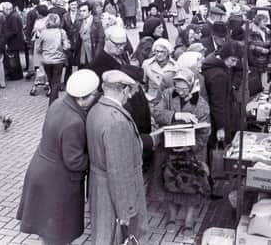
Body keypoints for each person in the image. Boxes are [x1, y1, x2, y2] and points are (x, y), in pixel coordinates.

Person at [17, 69, 99, 245]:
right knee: (59, 234)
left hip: (42, 172)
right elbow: (74, 161)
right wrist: (96, 158)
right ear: (85, 97)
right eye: (95, 95)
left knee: (49, 232)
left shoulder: (58, 103)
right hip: (58, 182)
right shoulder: (74, 122)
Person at [86, 70, 147, 244]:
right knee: (115, 237)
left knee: (103, 233)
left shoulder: (96, 109)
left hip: (100, 186)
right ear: (125, 90)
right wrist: (124, 210)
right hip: (114, 191)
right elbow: (119, 170)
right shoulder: (117, 121)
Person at [150, 68, 211, 236]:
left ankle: (189, 222)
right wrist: (177, 115)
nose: (180, 91)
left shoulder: (201, 104)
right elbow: (156, 112)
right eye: (177, 87)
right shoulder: (168, 94)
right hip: (168, 149)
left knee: (191, 187)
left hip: (191, 152)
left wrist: (190, 147)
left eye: (184, 88)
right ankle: (171, 218)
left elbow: (205, 132)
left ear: (192, 85)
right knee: (169, 183)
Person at [202, 42, 242, 147]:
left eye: (236, 61)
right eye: (232, 60)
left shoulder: (212, 63)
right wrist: (221, 127)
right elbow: (218, 104)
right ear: (224, 56)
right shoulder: (219, 76)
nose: (234, 64)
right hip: (217, 120)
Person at [37, 14, 71, 105]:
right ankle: (53, 104)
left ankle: (54, 101)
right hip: (58, 60)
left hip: (46, 61)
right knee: (56, 82)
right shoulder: (61, 32)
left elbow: (38, 48)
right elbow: (66, 46)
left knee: (51, 81)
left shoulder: (43, 32)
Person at [142, 38, 177, 102]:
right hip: (151, 99)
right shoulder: (147, 64)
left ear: (168, 52)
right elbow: (143, 83)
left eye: (162, 52)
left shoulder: (175, 65)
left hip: (168, 100)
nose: (159, 54)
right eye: (157, 51)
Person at [2, 2, 25, 81]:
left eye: (4, 9)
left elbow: (15, 30)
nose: (3, 11)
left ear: (8, 9)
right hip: (15, 40)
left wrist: (6, 36)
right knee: (15, 58)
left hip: (14, 41)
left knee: (14, 59)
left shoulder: (13, 17)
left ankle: (16, 75)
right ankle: (17, 75)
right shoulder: (14, 15)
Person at [249, 13, 271, 87]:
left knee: (264, 75)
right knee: (256, 78)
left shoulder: (268, 31)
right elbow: (250, 45)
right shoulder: (252, 31)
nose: (266, 23)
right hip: (255, 59)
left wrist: (270, 49)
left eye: (266, 21)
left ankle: (264, 88)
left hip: (265, 58)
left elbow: (270, 43)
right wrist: (261, 50)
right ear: (258, 21)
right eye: (264, 21)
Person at [62, 0, 81, 87]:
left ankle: (79, 82)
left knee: (79, 62)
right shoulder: (65, 16)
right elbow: (62, 28)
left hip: (79, 41)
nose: (74, 6)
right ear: (69, 6)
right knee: (68, 64)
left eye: (75, 4)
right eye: (72, 5)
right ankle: (67, 82)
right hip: (69, 42)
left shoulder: (80, 14)